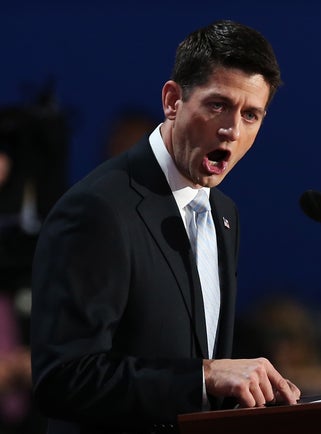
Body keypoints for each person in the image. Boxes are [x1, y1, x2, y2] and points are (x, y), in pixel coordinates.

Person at [30, 19, 300, 434]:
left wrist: (247, 391)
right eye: (218, 105)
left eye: (251, 114)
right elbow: (62, 379)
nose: (232, 130)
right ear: (173, 101)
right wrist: (204, 377)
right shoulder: (97, 209)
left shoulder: (224, 213)